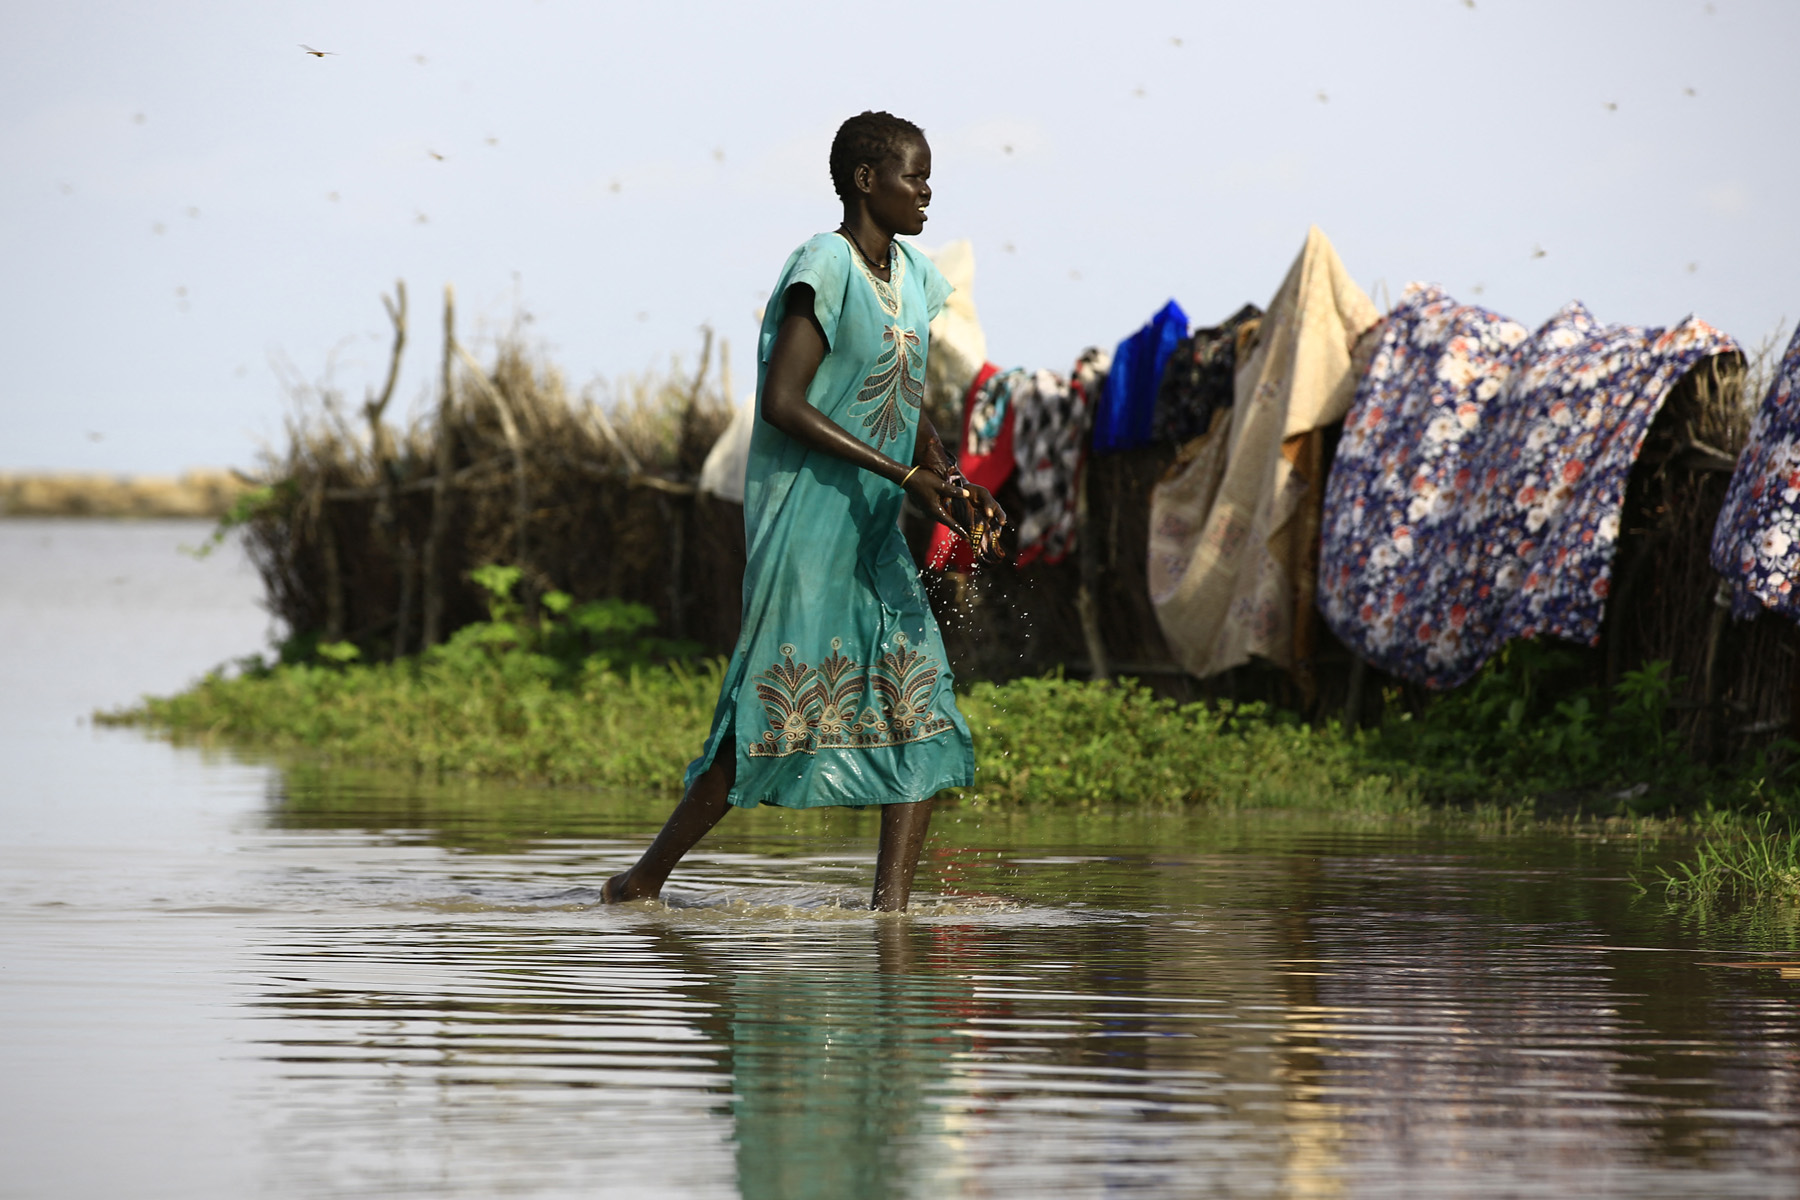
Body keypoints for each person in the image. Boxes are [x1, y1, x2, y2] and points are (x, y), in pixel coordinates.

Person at [602, 111, 1005, 911]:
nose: (928, 191)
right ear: (865, 180)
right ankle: (642, 881)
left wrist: (948, 477)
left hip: (871, 523)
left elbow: (903, 393)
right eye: (913, 176)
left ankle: (891, 915)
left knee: (918, 695)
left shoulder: (912, 274)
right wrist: (902, 474)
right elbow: (784, 403)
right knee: (768, 707)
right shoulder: (823, 265)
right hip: (808, 525)